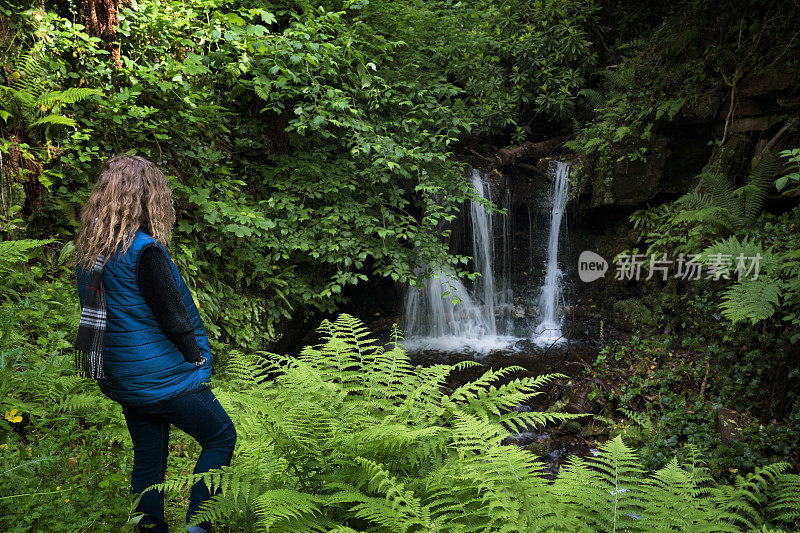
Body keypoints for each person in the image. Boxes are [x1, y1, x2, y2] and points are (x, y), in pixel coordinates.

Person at [74, 154, 236, 533]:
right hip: (160, 378)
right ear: (147, 198)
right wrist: (195, 359)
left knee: (149, 460)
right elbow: (174, 318)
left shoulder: (91, 250)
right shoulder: (144, 251)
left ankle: (150, 528)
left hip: (123, 377)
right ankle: (199, 526)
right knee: (220, 436)